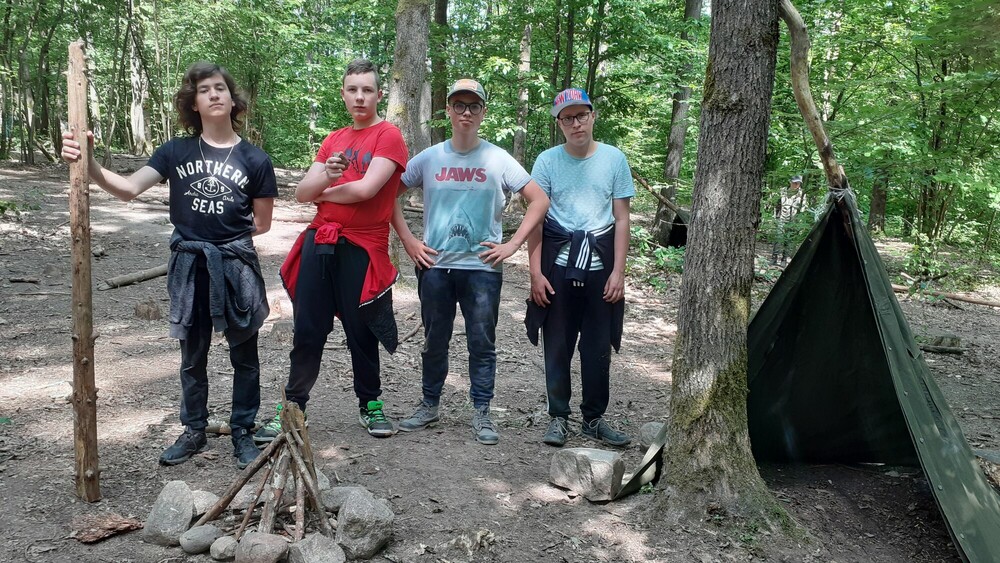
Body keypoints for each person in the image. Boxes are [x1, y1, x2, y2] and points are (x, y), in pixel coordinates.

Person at [61, 61, 277, 469]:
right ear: (193, 104)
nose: (213, 94)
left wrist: (223, 238)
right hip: (190, 267)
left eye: (220, 88)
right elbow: (128, 189)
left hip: (235, 266)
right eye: (204, 90)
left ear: (232, 99)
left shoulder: (255, 159)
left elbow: (262, 223)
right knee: (192, 357)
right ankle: (194, 430)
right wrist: (88, 162)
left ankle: (243, 432)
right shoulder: (175, 151)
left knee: (245, 355)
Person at [254, 59, 408, 443]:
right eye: (353, 90)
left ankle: (371, 404)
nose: (360, 97)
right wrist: (325, 179)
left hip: (363, 246)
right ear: (343, 94)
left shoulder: (388, 135)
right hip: (320, 243)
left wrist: (322, 191)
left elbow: (366, 190)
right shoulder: (333, 140)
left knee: (361, 330)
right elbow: (300, 193)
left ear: (379, 94)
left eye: (367, 90)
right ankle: (293, 408)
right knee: (308, 328)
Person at [391, 79, 549, 445]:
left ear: (483, 113)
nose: (466, 112)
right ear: (448, 110)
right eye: (459, 105)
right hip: (436, 267)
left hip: (482, 269)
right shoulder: (429, 158)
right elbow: (388, 196)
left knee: (482, 342)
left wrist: (512, 245)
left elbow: (539, 200)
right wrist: (409, 240)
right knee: (435, 339)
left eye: (473, 106)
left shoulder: (497, 158)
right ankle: (429, 404)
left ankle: (481, 411)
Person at [525, 87, 634, 448]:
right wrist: (536, 273)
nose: (576, 124)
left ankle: (594, 418)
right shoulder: (547, 162)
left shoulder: (614, 159)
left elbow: (621, 219)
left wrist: (618, 272)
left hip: (601, 267)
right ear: (559, 123)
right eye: (567, 118)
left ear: (592, 116)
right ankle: (558, 416)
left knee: (597, 346)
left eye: (581, 115)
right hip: (558, 266)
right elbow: (537, 219)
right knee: (557, 343)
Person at [772, 174, 805, 265]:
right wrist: (775, 217)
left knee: (788, 240)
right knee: (778, 238)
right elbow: (777, 205)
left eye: (798, 183)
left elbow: (802, 208)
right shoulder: (782, 191)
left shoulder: (802, 194)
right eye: (795, 183)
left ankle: (784, 259)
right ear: (790, 182)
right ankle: (774, 258)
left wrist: (799, 221)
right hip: (781, 218)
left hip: (793, 220)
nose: (796, 185)